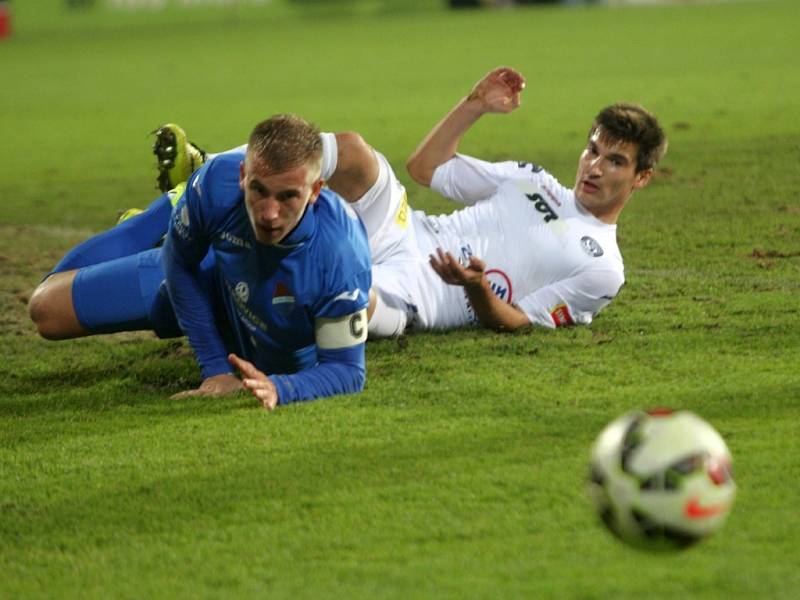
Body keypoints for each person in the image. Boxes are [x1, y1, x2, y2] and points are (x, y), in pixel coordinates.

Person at [154, 66, 666, 336]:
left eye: (615, 161)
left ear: (642, 177)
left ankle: (174, 246)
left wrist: (475, 288)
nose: (595, 167)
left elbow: (519, 324)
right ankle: (200, 176)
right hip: (404, 231)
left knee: (323, 289)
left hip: (422, 291)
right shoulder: (531, 180)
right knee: (352, 152)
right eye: (592, 150)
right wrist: (475, 106)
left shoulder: (603, 270)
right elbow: (426, 169)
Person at [28, 115, 372, 410]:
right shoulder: (219, 184)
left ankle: (177, 226)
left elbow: (346, 372)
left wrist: (280, 388)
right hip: (213, 279)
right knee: (47, 311)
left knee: (366, 305)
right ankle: (158, 224)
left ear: (314, 191)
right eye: (258, 190)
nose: (269, 213)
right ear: (242, 176)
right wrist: (215, 369)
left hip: (275, 323)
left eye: (288, 197)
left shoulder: (342, 253)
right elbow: (178, 264)